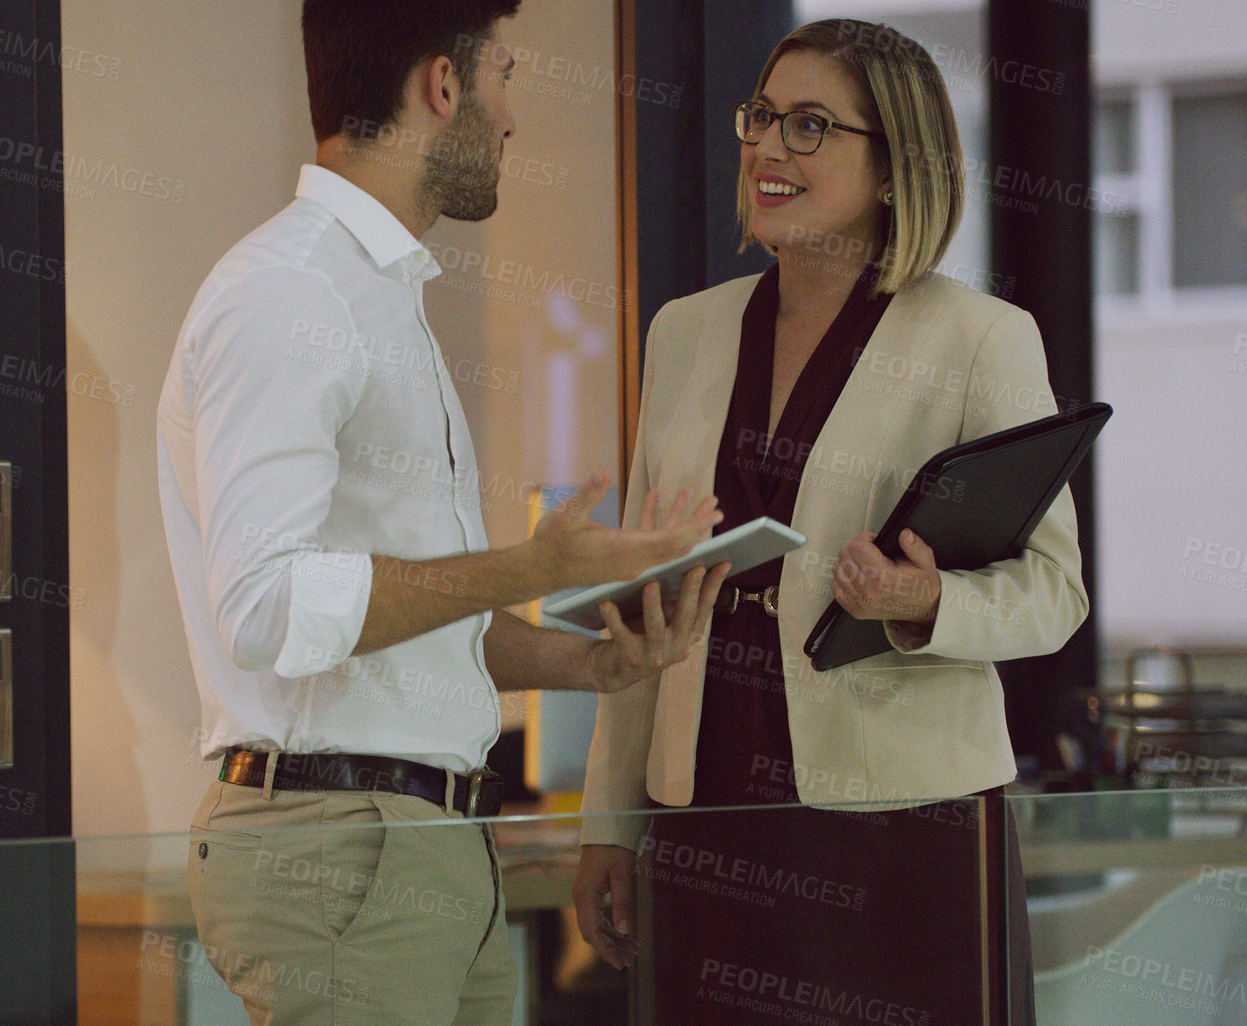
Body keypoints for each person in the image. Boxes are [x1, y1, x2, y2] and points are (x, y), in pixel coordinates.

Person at [156, 2, 730, 1022]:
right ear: (442, 85)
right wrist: (531, 568)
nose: (513, 119)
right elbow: (269, 607)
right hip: (339, 846)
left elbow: (400, 626)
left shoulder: (374, 294)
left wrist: (583, 666)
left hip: (424, 847)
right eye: (503, 76)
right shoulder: (290, 295)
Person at [570, 19, 1088, 1025]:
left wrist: (924, 599)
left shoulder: (982, 339)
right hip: (705, 819)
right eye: (761, 117)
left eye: (810, 126)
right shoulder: (685, 332)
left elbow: (1056, 594)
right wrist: (610, 825)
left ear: (897, 167)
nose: (767, 148)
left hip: (899, 834)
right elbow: (646, 598)